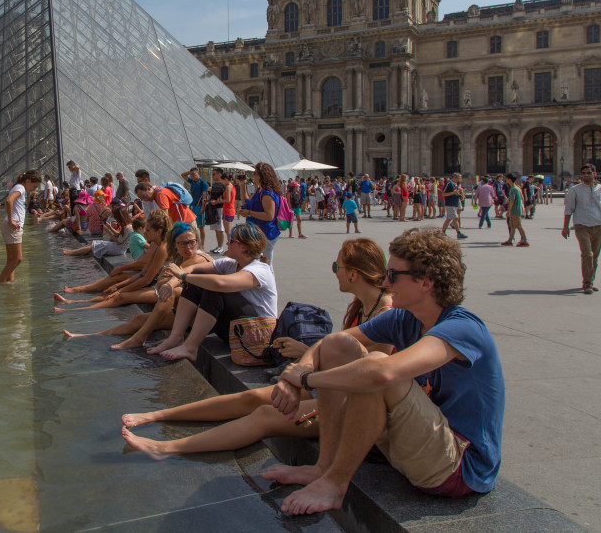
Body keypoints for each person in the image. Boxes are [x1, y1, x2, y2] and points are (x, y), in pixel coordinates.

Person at [265, 228, 505, 515]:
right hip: (416, 445)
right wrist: (298, 372)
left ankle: (335, 484)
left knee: (378, 367)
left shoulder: (463, 328)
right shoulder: (405, 318)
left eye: (394, 275)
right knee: (340, 345)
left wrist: (305, 379)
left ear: (426, 281)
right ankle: (324, 468)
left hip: (458, 466)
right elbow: (328, 346)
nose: (386, 282)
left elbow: (383, 375)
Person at [121, 237, 393, 457]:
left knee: (265, 414)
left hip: (350, 403)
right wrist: (304, 353)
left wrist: (306, 373)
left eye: (337, 268)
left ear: (354, 274)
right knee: (249, 398)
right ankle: (156, 415)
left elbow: (369, 372)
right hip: (333, 387)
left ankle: (165, 447)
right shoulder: (363, 306)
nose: (334, 273)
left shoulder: (385, 313)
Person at [63, 222, 212, 348]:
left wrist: (167, 283)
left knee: (167, 292)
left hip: (200, 316)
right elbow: (150, 275)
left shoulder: (197, 259)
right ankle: (88, 336)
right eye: (183, 243)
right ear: (175, 245)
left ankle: (139, 338)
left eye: (192, 242)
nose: (188, 247)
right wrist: (163, 282)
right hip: (185, 311)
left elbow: (172, 280)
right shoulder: (174, 257)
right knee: (139, 319)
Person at [147, 223, 277, 362]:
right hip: (237, 329)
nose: (227, 242)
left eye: (231, 240)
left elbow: (220, 284)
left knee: (215, 289)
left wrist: (184, 277)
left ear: (243, 247)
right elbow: (193, 269)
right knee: (199, 277)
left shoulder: (260, 269)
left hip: (257, 334)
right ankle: (176, 337)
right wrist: (170, 283)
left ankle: (190, 347)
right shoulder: (231, 263)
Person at [54, 210, 170, 310]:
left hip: (159, 286)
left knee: (119, 294)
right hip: (152, 279)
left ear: (158, 232)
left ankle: (78, 305)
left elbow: (146, 277)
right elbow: (143, 273)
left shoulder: (162, 248)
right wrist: (117, 287)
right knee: (114, 288)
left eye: (147, 230)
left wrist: (119, 289)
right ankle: (78, 300)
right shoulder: (156, 245)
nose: (144, 232)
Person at [562, 164, 601, 294]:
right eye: (583, 173)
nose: (586, 175)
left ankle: (590, 280)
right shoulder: (575, 190)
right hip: (581, 225)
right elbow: (569, 209)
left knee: (595, 256)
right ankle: (587, 284)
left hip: (598, 226)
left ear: (595, 174)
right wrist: (565, 227)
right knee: (587, 254)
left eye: (588, 173)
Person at [0, 170, 42, 284]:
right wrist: (12, 220)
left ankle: (10, 285)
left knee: (11, 260)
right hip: (12, 227)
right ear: (28, 181)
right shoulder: (21, 188)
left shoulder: (18, 187)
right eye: (34, 186)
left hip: (8, 226)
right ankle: (0, 283)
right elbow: (8, 201)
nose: (35, 189)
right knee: (17, 259)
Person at [237, 162, 282, 263]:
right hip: (259, 232)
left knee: (264, 265)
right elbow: (246, 202)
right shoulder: (259, 191)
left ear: (262, 175)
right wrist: (242, 185)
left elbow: (269, 215)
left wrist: (249, 213)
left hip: (265, 233)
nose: (253, 175)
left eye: (255, 173)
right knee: (258, 263)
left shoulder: (267, 194)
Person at [182, 167, 209, 249]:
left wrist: (203, 208)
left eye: (194, 174)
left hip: (199, 206)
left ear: (198, 174)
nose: (193, 176)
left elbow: (205, 197)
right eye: (191, 174)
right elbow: (183, 175)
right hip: (192, 206)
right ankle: (195, 243)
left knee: (201, 227)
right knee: (192, 226)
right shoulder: (192, 181)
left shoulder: (203, 183)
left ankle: (202, 245)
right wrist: (190, 172)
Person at [500, 173, 529, 247]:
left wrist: (508, 211)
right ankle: (510, 239)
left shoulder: (513, 189)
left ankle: (525, 240)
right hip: (516, 210)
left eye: (506, 178)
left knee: (518, 225)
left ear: (509, 179)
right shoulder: (517, 188)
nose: (505, 180)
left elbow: (512, 201)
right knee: (512, 225)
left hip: (515, 210)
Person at [440, 173, 468, 240]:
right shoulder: (449, 183)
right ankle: (458, 233)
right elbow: (443, 194)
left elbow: (455, 193)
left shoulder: (455, 184)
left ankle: (443, 232)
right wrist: (453, 193)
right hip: (450, 203)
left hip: (454, 203)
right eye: (458, 178)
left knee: (449, 219)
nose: (459, 180)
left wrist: (460, 195)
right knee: (455, 218)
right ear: (454, 177)